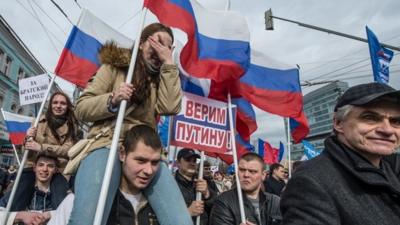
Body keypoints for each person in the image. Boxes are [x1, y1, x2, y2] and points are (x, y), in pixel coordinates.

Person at [70, 23, 188, 225]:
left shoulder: (163, 78)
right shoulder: (113, 68)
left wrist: (169, 63)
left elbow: (170, 107)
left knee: (180, 219)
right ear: (142, 43)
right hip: (108, 143)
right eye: (157, 43)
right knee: (87, 218)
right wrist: (112, 100)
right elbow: (81, 109)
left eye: (167, 47)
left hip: (144, 150)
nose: (161, 50)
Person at [281, 82, 400, 225]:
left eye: (396, 121)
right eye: (370, 118)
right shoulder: (311, 181)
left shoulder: (390, 168)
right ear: (338, 123)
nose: (387, 130)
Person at [47, 125, 167, 225]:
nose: (149, 170)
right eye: (141, 161)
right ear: (122, 154)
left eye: (155, 162)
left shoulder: (163, 207)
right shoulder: (84, 200)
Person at [209, 152, 281, 225]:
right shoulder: (223, 201)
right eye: (242, 170)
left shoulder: (275, 202)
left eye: (252, 171)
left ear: (263, 175)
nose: (246, 175)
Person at [25, 91, 79, 170]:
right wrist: (27, 138)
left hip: (58, 168)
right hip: (34, 166)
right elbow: (26, 153)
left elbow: (68, 150)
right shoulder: (37, 122)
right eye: (55, 102)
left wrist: (42, 148)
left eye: (63, 103)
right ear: (50, 105)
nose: (58, 106)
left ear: (67, 106)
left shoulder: (72, 126)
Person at [0, 154, 69, 212]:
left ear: (55, 170)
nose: (45, 169)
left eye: (50, 166)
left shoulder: (62, 194)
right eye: (41, 165)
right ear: (34, 168)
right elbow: (2, 208)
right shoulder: (19, 190)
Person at [175, 148, 216, 225]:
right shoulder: (171, 184)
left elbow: (217, 209)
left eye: (195, 161)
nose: (192, 163)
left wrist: (207, 194)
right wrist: (188, 213)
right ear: (178, 163)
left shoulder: (206, 181)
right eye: (188, 160)